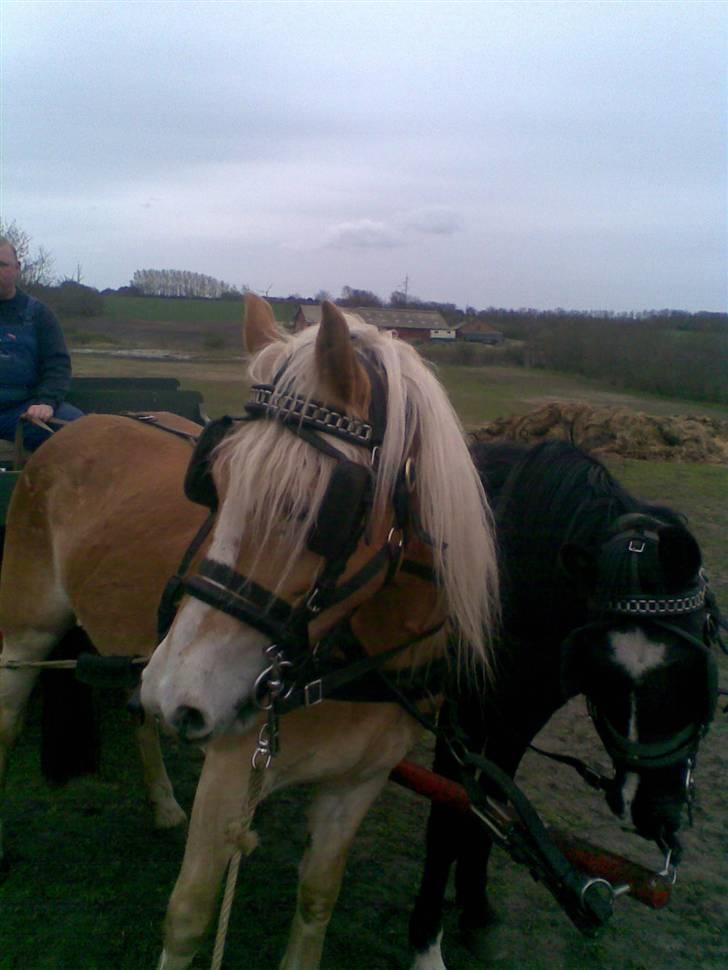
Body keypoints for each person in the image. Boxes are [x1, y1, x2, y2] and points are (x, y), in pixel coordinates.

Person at [0, 236, 83, 452]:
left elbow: (57, 366)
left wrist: (45, 403)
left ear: (17, 268)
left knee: (82, 433)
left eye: (2, 265)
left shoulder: (38, 315)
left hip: (20, 414)